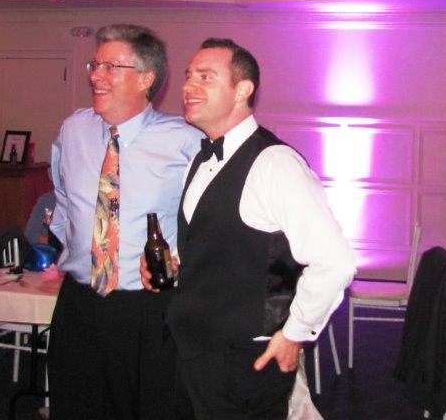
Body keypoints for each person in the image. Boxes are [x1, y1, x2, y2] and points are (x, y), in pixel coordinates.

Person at [144, 38, 356, 419]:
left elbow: (336, 262)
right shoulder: (199, 158)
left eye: (206, 77)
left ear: (243, 90)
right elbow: (220, 245)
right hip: (191, 351)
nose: (189, 86)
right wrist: (175, 267)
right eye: (189, 76)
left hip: (243, 362)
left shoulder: (275, 164)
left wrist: (295, 333)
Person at [47, 24, 202, 420]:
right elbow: (63, 198)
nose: (95, 76)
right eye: (94, 65)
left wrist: (181, 263)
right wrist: (75, 248)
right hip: (79, 304)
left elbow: (207, 222)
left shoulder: (185, 141)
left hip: (147, 310)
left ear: (146, 79)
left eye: (110, 67)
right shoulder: (73, 130)